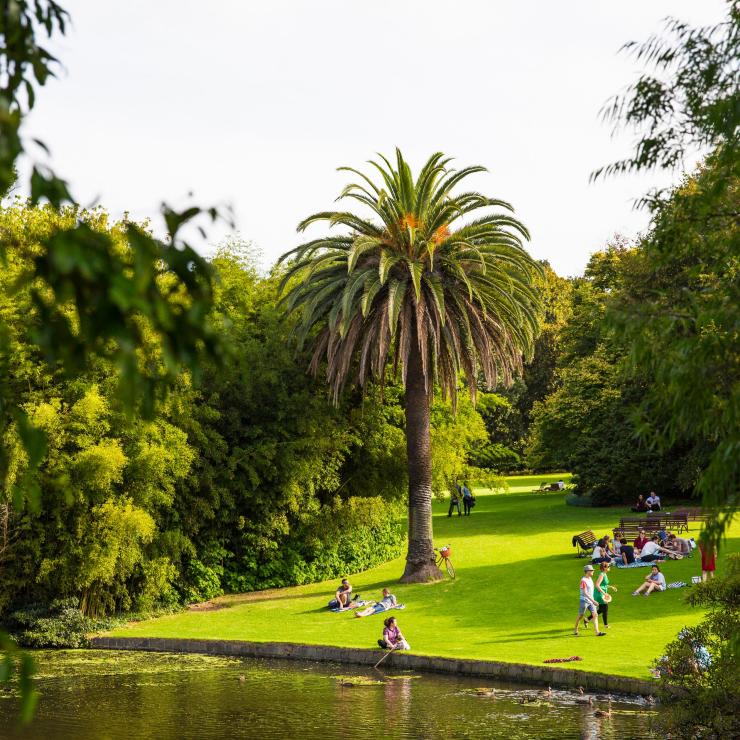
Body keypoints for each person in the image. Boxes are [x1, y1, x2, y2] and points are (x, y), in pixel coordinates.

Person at [574, 564, 606, 636]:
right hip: (584, 600)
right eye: (591, 570)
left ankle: (597, 632)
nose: (593, 571)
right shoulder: (583, 581)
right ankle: (575, 629)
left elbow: (591, 591)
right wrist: (593, 601)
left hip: (591, 601)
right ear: (587, 571)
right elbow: (585, 593)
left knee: (595, 615)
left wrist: (593, 599)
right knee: (581, 615)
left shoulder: (590, 579)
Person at [584, 562, 617, 630]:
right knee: (604, 609)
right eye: (608, 566)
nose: (609, 567)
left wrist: (611, 587)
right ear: (604, 568)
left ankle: (587, 619)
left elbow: (604, 585)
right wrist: (604, 593)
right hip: (599, 594)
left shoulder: (604, 574)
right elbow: (597, 585)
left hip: (602, 593)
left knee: (603, 609)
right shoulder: (602, 574)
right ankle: (605, 625)